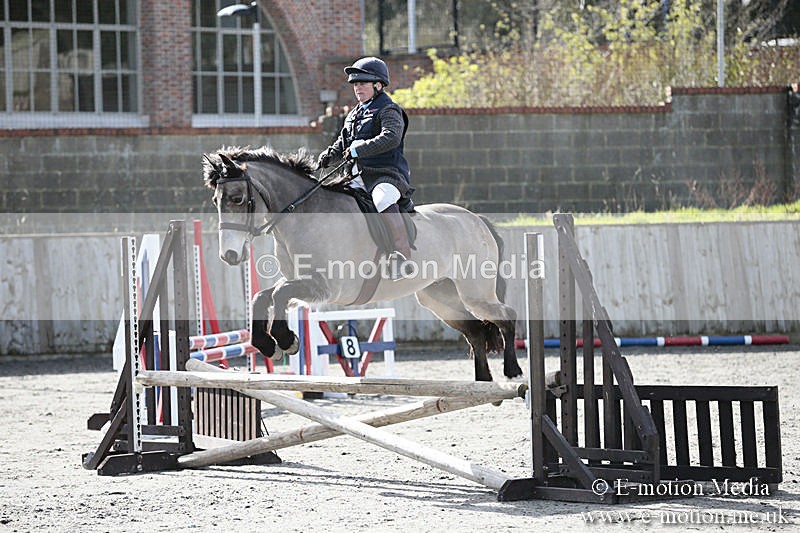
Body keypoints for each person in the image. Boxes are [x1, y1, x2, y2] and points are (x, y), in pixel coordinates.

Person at [317, 57, 414, 279]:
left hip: (386, 175)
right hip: (357, 175)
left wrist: (359, 150)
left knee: (382, 200)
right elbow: (343, 142)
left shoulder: (389, 110)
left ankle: (402, 256)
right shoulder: (354, 114)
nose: (357, 87)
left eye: (362, 83)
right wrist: (329, 154)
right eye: (355, 84)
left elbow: (391, 138)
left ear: (378, 85)